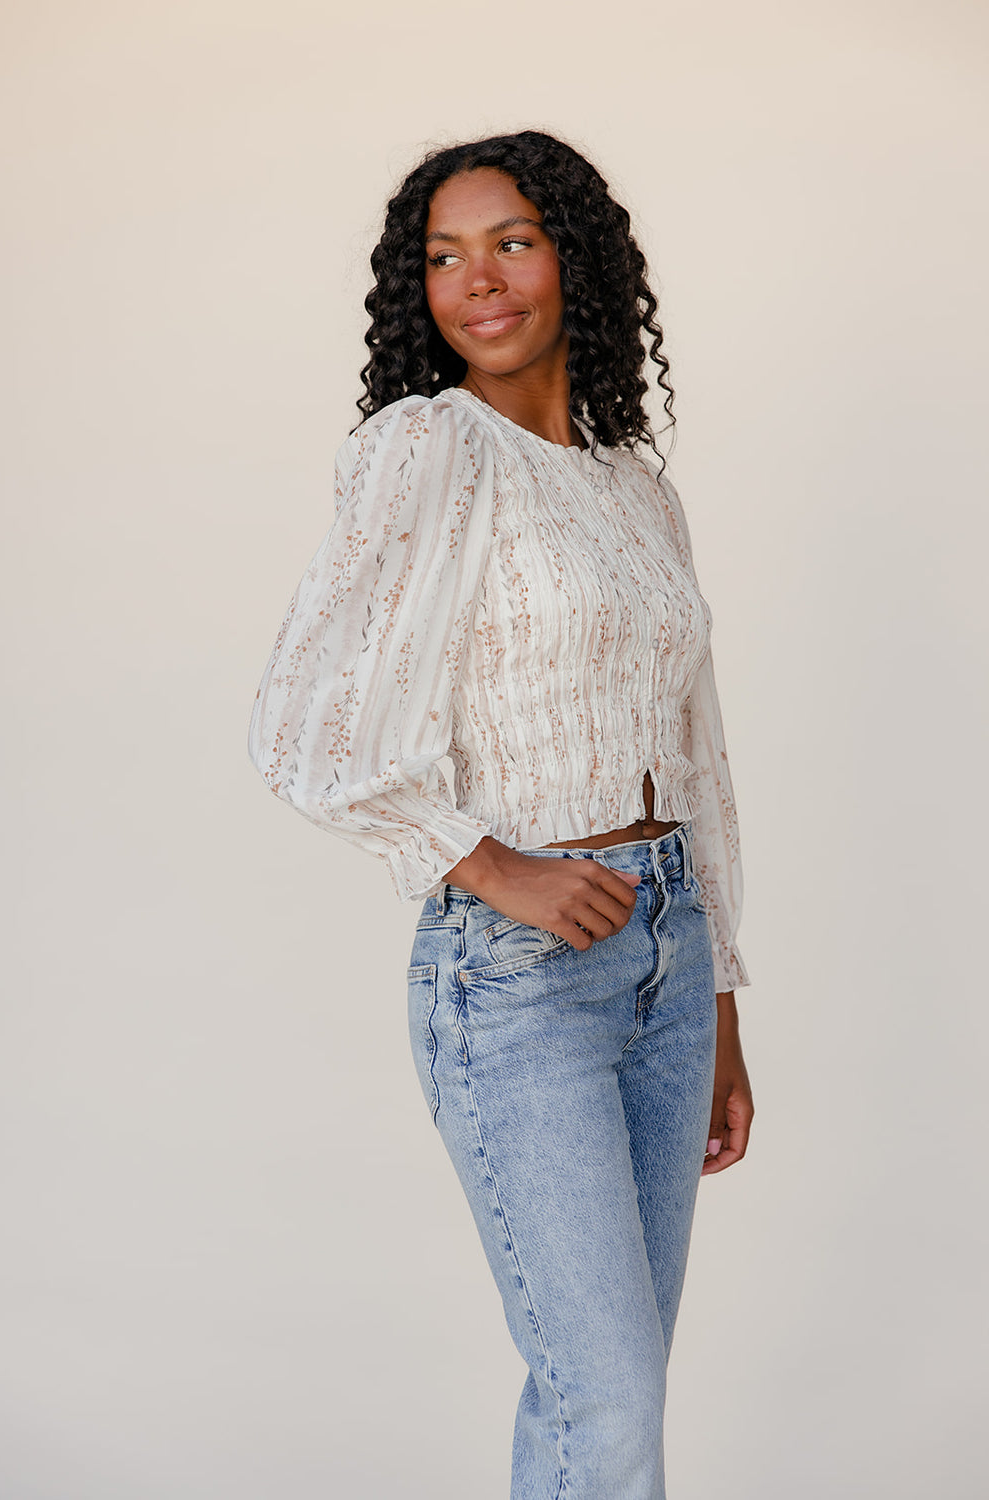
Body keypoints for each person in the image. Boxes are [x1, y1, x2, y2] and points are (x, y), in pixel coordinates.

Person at [248, 129, 753, 1500]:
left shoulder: (635, 487)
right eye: (442, 256)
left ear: (572, 258)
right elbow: (304, 725)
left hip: (669, 955)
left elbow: (696, 756)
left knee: (615, 1387)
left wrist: (719, 1003)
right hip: (519, 982)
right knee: (609, 1394)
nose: (476, 279)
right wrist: (491, 866)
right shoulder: (426, 452)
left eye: (511, 241)